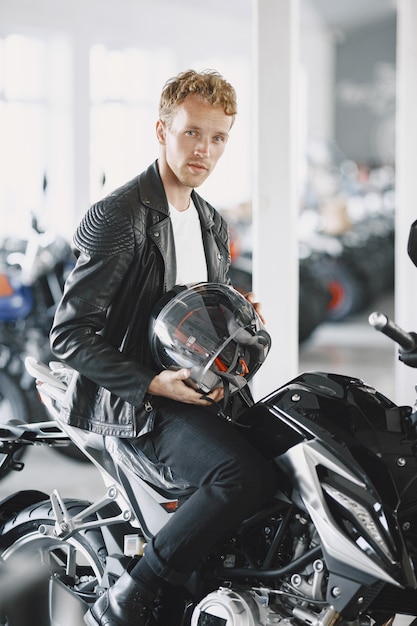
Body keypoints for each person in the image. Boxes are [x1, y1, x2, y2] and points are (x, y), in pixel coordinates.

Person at [50, 69, 279, 626]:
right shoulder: (121, 215)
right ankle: (132, 595)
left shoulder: (209, 221)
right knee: (241, 477)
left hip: (205, 394)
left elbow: (191, 317)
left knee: (293, 458)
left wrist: (238, 318)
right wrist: (153, 382)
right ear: (162, 130)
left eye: (218, 137)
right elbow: (69, 335)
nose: (204, 149)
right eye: (192, 133)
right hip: (141, 403)